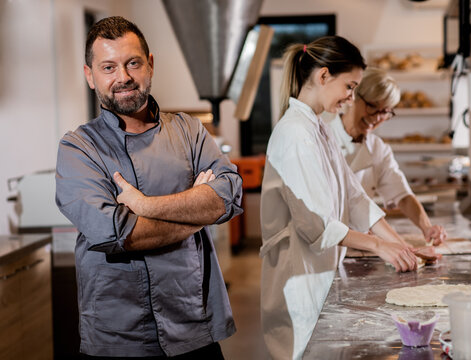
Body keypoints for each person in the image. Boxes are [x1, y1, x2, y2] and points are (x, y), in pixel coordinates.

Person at [55, 16, 243, 359]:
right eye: (108, 67)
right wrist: (198, 214)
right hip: (120, 334)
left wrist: (144, 206)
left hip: (193, 326)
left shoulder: (188, 130)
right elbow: (116, 234)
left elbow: (229, 194)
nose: (123, 77)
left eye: (133, 63)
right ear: (89, 75)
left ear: (150, 64)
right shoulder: (78, 148)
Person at [259, 36, 438, 360]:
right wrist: (379, 246)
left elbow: (355, 197)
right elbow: (316, 226)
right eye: (350, 86)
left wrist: (400, 246)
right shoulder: (296, 133)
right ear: (323, 76)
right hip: (300, 282)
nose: (351, 97)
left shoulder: (318, 127)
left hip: (321, 274)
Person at [327, 67, 447, 245]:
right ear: (353, 97)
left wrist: (426, 227)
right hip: (329, 243)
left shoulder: (377, 148)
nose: (377, 117)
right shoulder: (325, 136)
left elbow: (403, 195)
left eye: (385, 112)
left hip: (362, 245)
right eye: (372, 106)